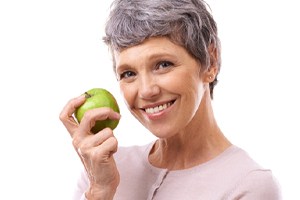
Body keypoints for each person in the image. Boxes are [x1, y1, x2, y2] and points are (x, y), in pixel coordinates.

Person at [59, 0, 281, 199]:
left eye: (163, 64)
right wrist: (100, 191)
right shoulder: (102, 169)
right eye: (128, 73)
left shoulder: (249, 185)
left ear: (210, 62)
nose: (146, 91)